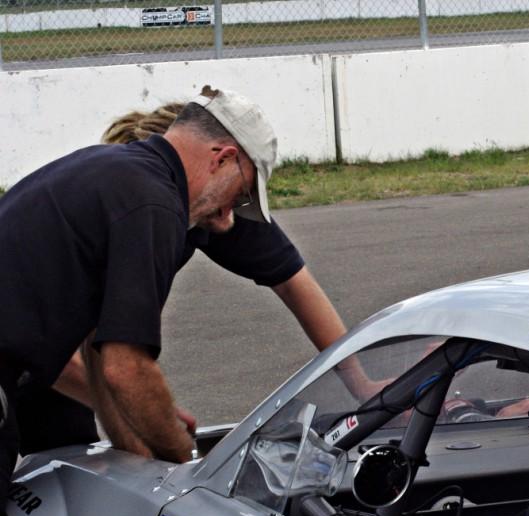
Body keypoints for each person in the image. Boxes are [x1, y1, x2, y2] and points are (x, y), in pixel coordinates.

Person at [15, 98, 376, 457]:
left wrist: (362, 385)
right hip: (32, 365)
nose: (229, 216)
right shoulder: (149, 203)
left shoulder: (217, 200)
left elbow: (294, 281)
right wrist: (155, 423)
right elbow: (116, 365)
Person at [0, 86, 284, 504]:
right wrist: (185, 467)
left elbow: (101, 354)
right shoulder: (155, 205)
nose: (226, 220)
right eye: (238, 197)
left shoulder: (115, 171)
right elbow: (128, 368)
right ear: (222, 158)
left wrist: (137, 453)